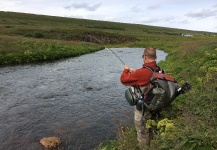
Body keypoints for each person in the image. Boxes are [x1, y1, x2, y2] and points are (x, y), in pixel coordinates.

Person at [120, 47, 163, 149]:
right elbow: (147, 79)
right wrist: (135, 72)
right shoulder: (160, 70)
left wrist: (126, 70)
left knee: (142, 134)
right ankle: (154, 145)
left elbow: (123, 80)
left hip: (143, 109)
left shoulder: (141, 72)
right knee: (152, 129)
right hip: (155, 106)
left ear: (145, 57)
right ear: (155, 57)